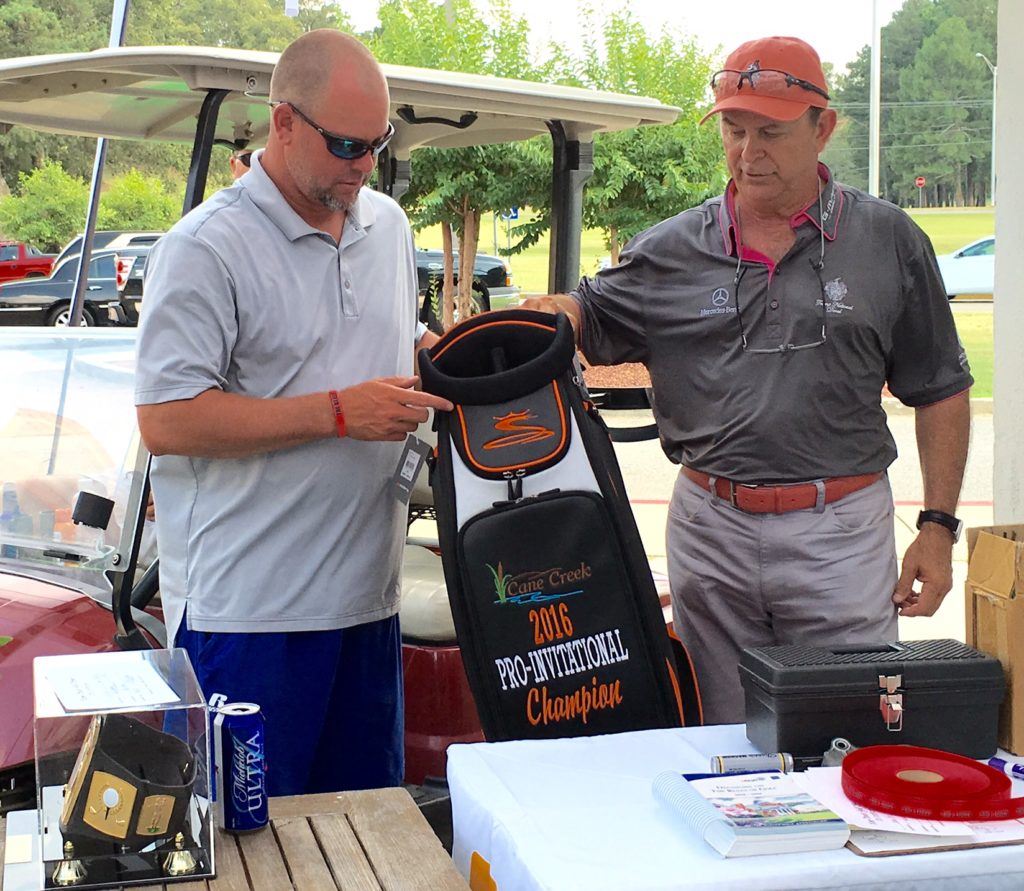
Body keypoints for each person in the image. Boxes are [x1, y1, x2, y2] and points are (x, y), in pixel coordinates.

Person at [521, 35, 972, 724]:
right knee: (724, 744)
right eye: (734, 131)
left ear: (824, 127)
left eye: (771, 132)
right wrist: (561, 311)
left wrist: (937, 528)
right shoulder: (669, 250)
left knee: (846, 736)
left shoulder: (890, 241)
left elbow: (941, 386)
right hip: (711, 533)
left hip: (841, 537)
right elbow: (589, 312)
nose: (748, 153)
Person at [135, 29, 452, 794]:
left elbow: (392, 339)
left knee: (361, 838)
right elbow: (168, 418)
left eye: (379, 143)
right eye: (345, 144)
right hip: (247, 620)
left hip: (367, 608)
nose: (365, 165)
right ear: (282, 122)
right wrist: (339, 412)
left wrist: (478, 359)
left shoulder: (390, 228)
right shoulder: (206, 249)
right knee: (250, 854)